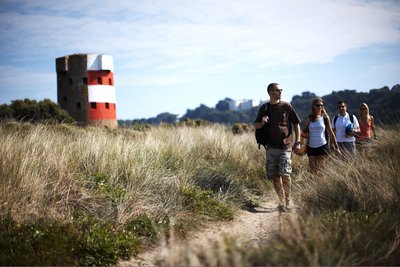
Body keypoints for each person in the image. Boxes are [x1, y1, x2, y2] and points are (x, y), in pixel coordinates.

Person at [254, 83, 301, 212]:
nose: (279, 92)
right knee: (275, 176)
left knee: (285, 174)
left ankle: (288, 201)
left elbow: (296, 123)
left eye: (280, 90)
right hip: (270, 147)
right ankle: (280, 202)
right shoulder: (264, 107)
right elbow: (256, 125)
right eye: (276, 90)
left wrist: (298, 141)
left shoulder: (286, 106)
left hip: (286, 146)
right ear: (269, 92)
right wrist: (262, 122)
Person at [302, 98, 339, 174]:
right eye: (317, 105)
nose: (319, 107)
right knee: (313, 171)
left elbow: (330, 132)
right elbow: (304, 132)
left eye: (321, 105)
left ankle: (321, 185)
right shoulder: (309, 118)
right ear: (313, 106)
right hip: (311, 147)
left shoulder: (325, 118)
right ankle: (314, 185)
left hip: (322, 146)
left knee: (321, 171)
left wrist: (336, 147)